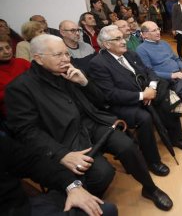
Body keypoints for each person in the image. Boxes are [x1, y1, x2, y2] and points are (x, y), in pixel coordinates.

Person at [5, 34, 173, 211]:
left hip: (92, 122)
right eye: (58, 55)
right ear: (38, 58)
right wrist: (62, 154)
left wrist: (84, 82)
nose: (65, 59)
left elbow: (101, 101)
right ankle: (81, 206)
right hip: (65, 137)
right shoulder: (20, 88)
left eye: (66, 54)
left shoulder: (70, 71)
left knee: (127, 146)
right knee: (103, 173)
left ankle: (150, 188)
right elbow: (27, 132)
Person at [89, 25, 182, 174]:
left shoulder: (130, 54)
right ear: (106, 44)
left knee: (168, 98)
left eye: (122, 37)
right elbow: (110, 94)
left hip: (146, 91)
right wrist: (142, 96)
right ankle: (153, 161)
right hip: (123, 103)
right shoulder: (98, 63)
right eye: (118, 39)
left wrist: (152, 88)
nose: (123, 41)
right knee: (145, 117)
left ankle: (175, 138)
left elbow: (149, 72)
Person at [0, 35, 31, 118]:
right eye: (0, 50)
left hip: (37, 106)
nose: (6, 51)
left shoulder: (22, 62)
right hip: (14, 115)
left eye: (8, 47)